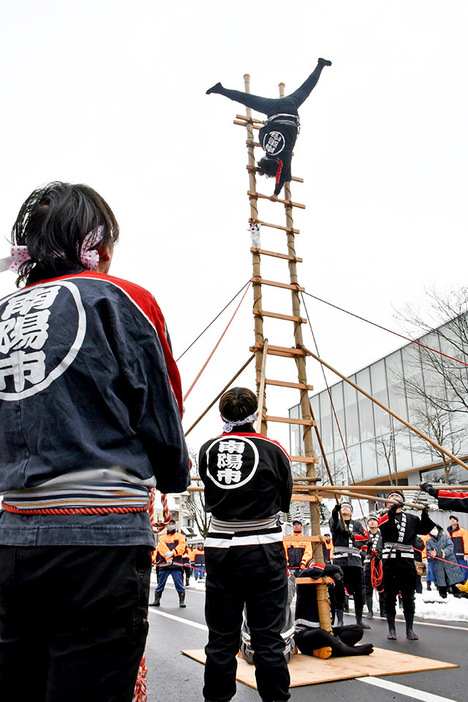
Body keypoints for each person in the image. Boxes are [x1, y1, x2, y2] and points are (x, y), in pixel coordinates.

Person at [0, 182, 191, 701]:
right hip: (98, 540)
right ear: (97, 242)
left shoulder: (2, 313)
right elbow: (161, 406)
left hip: (11, 539)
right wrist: (174, 476)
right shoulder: (121, 296)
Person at [199, 387, 293, 702]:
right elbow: (284, 501)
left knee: (221, 640)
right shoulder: (274, 448)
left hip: (221, 551)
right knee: (268, 640)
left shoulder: (207, 449)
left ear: (222, 414)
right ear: (256, 411)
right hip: (264, 551)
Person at [206, 58, 332, 199]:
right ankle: (221, 90)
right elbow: (262, 130)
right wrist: (268, 126)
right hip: (274, 109)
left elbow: (282, 177)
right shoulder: (264, 144)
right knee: (246, 99)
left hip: (291, 107)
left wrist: (276, 193)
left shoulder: (284, 158)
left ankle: (320, 65)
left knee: (306, 88)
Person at [378, 490, 435, 641]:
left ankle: (410, 629)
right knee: (389, 595)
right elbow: (384, 528)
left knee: (409, 596)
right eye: (391, 498)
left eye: (397, 497)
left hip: (407, 561)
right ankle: (391, 629)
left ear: (402, 502)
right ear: (387, 503)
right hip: (390, 562)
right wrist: (391, 510)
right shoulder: (383, 517)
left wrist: (425, 513)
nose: (394, 499)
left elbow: (424, 529)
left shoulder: (411, 518)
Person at [294, 563, 374, 659]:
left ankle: (332, 649)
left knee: (357, 630)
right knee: (320, 633)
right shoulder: (306, 579)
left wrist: (339, 580)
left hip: (328, 633)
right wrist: (331, 568)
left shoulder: (329, 582)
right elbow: (305, 572)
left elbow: (341, 602)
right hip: (306, 635)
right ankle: (350, 650)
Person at [329, 500, 369, 629]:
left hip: (355, 562)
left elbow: (365, 539)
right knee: (339, 590)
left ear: (351, 512)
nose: (345, 509)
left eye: (348, 507)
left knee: (359, 591)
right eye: (343, 507)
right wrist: (335, 512)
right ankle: (339, 619)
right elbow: (334, 524)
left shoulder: (357, 525)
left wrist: (353, 535)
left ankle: (359, 619)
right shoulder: (336, 522)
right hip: (340, 561)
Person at [150, 519, 187, 607]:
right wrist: (168, 558)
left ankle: (181, 601)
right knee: (160, 583)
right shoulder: (162, 537)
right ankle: (157, 600)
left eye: (172, 524)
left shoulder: (180, 536)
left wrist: (173, 553)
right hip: (165, 564)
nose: (171, 525)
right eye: (169, 524)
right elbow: (162, 548)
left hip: (176, 564)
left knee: (178, 583)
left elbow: (182, 547)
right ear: (166, 526)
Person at [426, 524, 464, 598]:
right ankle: (443, 594)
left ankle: (457, 592)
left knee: (453, 576)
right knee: (441, 578)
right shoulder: (429, 541)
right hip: (438, 562)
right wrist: (432, 553)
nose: (433, 530)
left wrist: (445, 552)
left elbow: (450, 545)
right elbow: (428, 549)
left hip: (449, 560)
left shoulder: (445, 537)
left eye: (435, 528)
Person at [363, 514, 385, 619]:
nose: (372, 522)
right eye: (370, 520)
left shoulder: (383, 536)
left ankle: (383, 610)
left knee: (382, 588)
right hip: (368, 563)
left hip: (380, 563)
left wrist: (380, 555)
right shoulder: (365, 536)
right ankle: (370, 611)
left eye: (374, 520)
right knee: (368, 588)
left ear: (378, 523)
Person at [447, 515, 468, 582]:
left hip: (461, 555)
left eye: (454, 519)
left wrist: (466, 553)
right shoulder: (448, 532)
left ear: (457, 521)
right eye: (451, 520)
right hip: (452, 555)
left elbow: (466, 542)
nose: (452, 521)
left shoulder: (463, 531)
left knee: (464, 570)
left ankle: (464, 584)